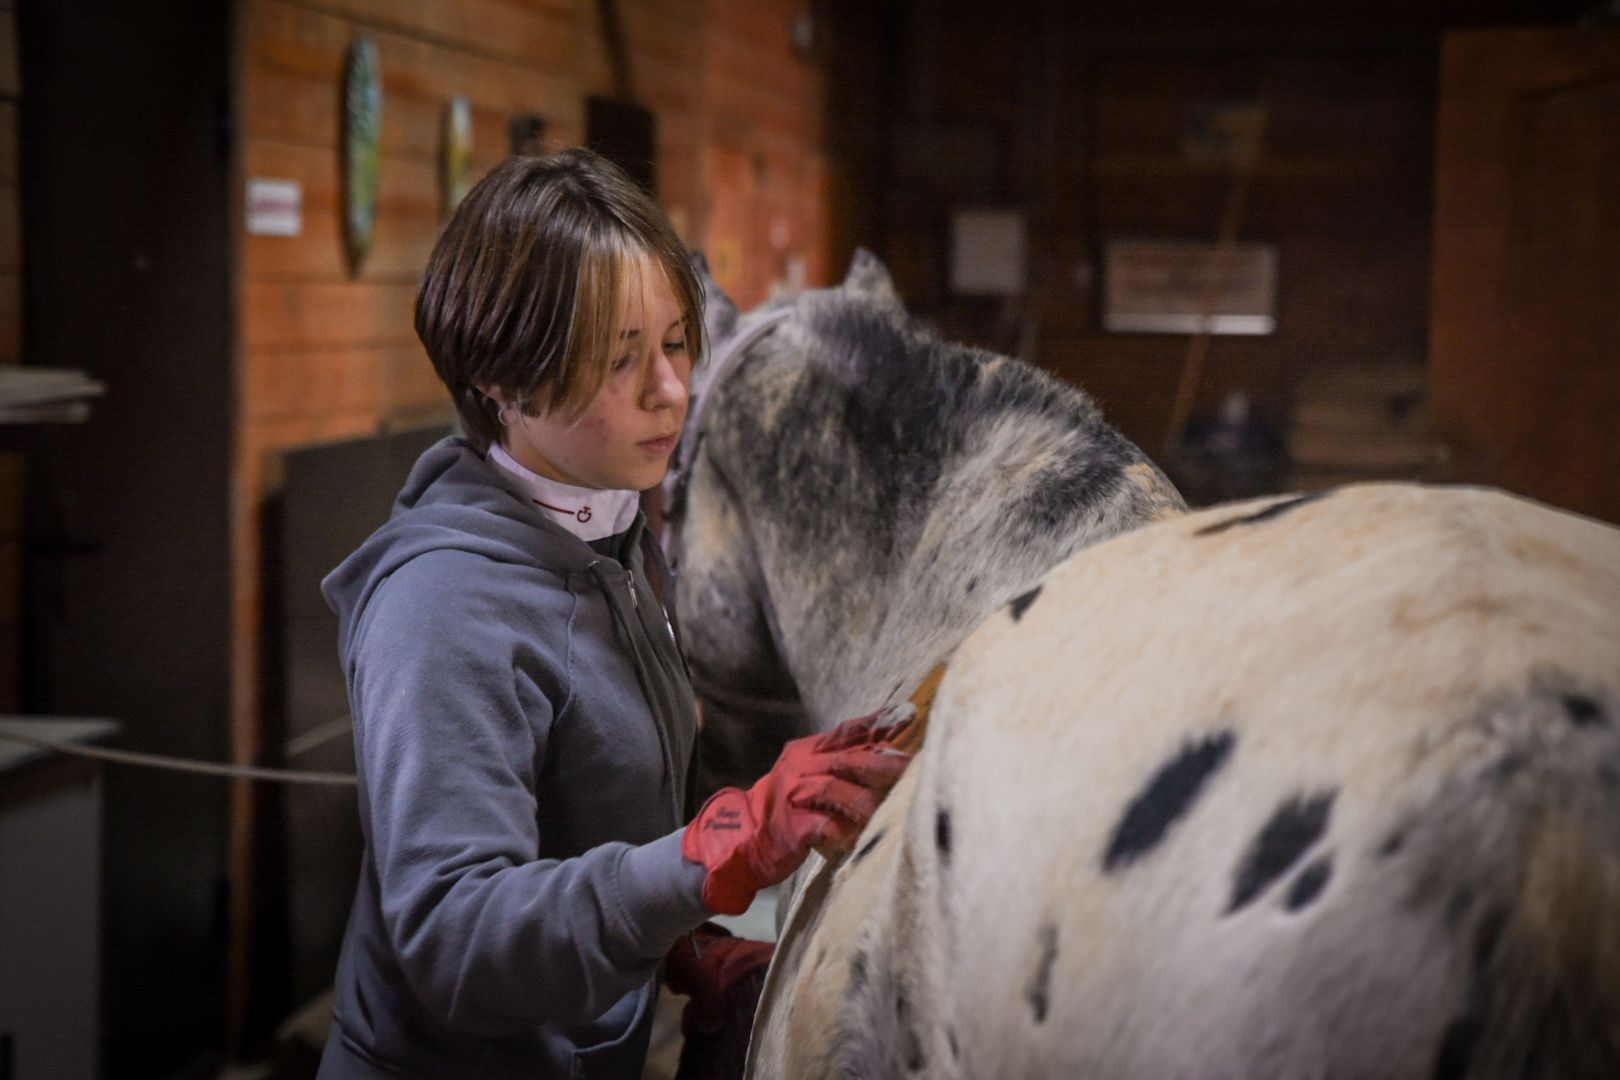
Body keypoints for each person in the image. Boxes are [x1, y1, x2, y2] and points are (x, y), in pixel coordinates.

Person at [316, 148, 912, 1079]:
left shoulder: (609, 537)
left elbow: (584, 828)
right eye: (617, 358)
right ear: (502, 381)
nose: (669, 389)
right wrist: (713, 854)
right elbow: (457, 940)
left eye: (674, 343)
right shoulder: (443, 608)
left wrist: (678, 942)